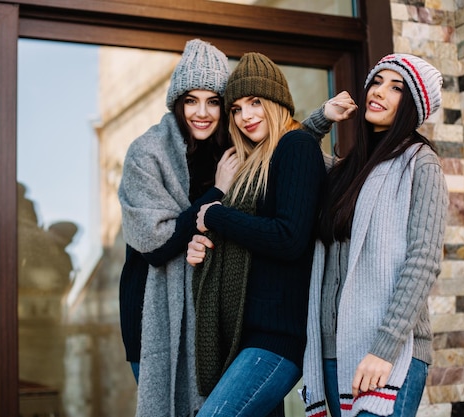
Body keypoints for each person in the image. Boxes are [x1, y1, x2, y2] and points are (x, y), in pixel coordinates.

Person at [118, 39, 348, 417]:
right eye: (191, 100)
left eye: (214, 101)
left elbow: (284, 154)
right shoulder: (149, 152)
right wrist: (216, 196)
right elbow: (156, 244)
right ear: (177, 103)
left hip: (234, 325)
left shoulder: (234, 147)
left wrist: (318, 119)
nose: (202, 112)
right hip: (158, 320)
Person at [185, 52, 354, 417]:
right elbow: (243, 240)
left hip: (278, 337)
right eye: (237, 108)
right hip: (245, 336)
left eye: (256, 102)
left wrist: (217, 217)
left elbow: (288, 237)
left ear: (277, 102)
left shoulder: (296, 147)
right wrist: (204, 248)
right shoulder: (254, 163)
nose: (246, 116)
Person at [302, 53, 448, 417]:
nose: (378, 91)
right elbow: (288, 153)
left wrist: (383, 350)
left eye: (396, 87)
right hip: (330, 355)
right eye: (377, 82)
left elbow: (423, 263)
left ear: (413, 105)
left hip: (387, 351)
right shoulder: (341, 172)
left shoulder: (420, 163)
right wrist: (321, 119)